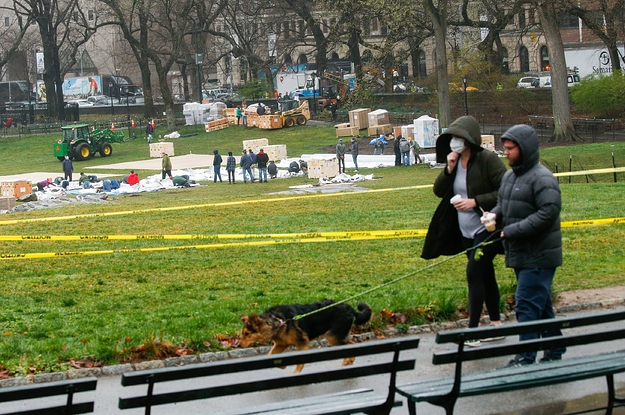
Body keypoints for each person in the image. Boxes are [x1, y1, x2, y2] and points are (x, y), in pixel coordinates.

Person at [421, 115, 507, 347]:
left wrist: (474, 201)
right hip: (464, 230)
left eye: (459, 137)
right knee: (485, 274)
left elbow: (505, 191)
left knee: (473, 274)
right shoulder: (455, 161)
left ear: (470, 139)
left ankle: (473, 331)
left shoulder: (488, 160)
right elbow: (439, 191)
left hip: (486, 227)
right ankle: (497, 324)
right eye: (453, 138)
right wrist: (448, 168)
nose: (455, 142)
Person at [490, 124, 565, 367]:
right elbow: (503, 203)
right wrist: (494, 216)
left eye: (511, 149)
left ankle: (526, 355)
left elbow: (547, 214)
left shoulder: (543, 178)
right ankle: (554, 349)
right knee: (540, 306)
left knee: (526, 304)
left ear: (525, 149)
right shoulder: (510, 176)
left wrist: (509, 231)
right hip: (521, 253)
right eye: (505, 149)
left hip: (540, 255)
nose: (507, 153)